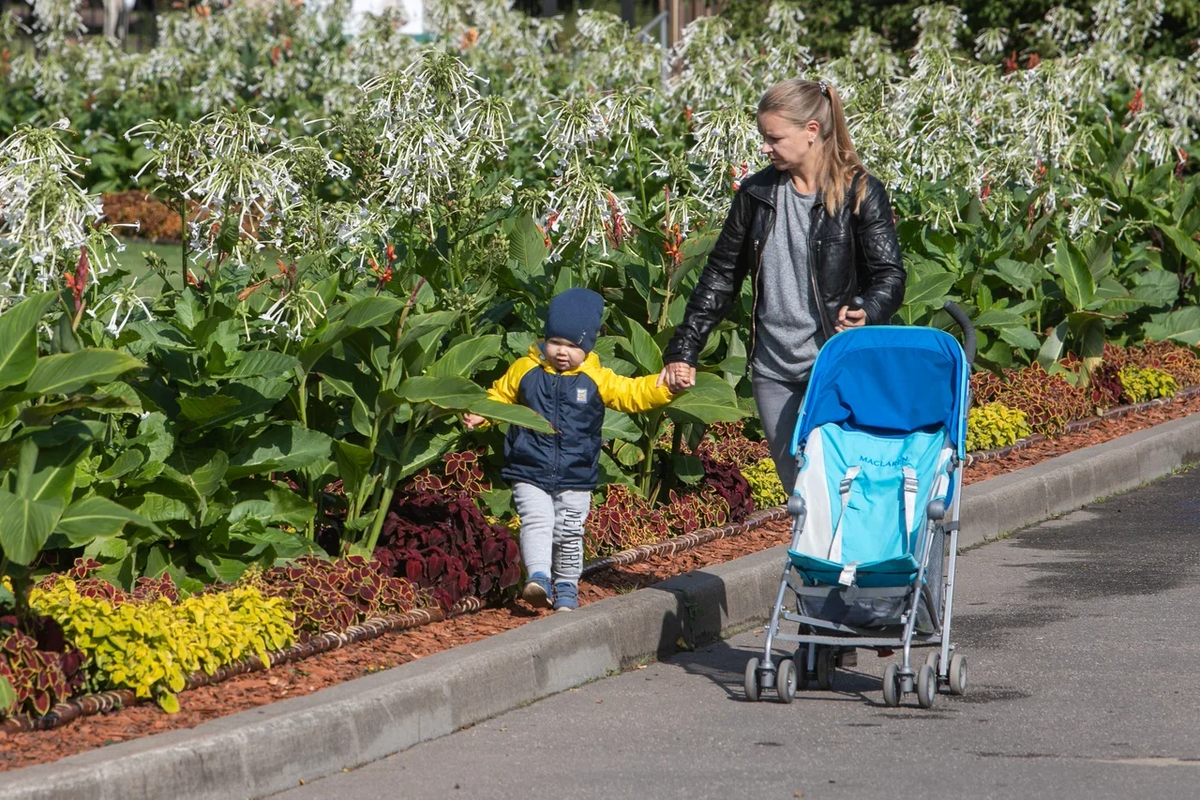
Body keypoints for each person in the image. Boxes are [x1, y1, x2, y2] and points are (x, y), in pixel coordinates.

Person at [659, 78, 906, 494]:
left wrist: (868, 308)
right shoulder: (756, 194)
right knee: (799, 492)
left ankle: (850, 561)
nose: (765, 148)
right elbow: (720, 276)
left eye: (774, 138)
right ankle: (819, 560)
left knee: (838, 485)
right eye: (763, 137)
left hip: (834, 364)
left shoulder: (860, 191)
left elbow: (890, 274)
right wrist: (684, 349)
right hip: (773, 370)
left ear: (811, 131)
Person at [463, 287, 674, 612]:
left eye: (573, 346)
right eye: (556, 342)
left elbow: (632, 393)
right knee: (537, 520)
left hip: (576, 473)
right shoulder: (525, 369)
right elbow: (501, 396)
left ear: (588, 347)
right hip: (528, 467)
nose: (562, 352)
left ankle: (565, 586)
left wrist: (664, 388)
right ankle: (538, 578)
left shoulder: (596, 378)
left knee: (569, 530)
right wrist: (481, 412)